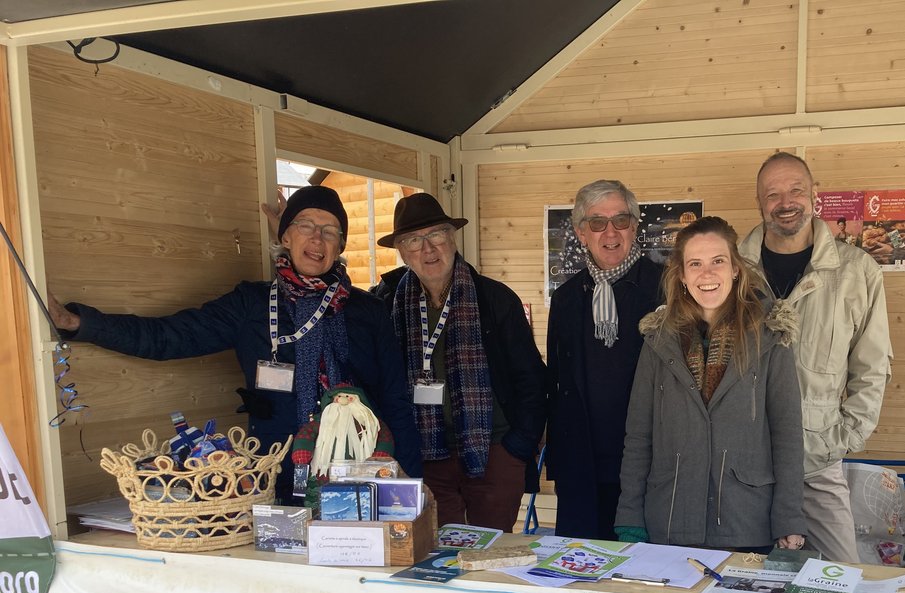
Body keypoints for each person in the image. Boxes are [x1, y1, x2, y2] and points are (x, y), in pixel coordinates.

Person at [48, 186, 423, 499]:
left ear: (340, 245)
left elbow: (395, 400)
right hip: (276, 473)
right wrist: (81, 323)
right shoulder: (252, 304)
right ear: (285, 237)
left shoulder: (368, 311)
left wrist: (410, 486)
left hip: (363, 472)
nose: (317, 238)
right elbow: (169, 336)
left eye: (329, 230)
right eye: (305, 225)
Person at [613, 216, 807, 552]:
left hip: (745, 523)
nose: (707, 274)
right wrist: (630, 517)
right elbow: (639, 436)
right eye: (695, 264)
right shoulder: (659, 340)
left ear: (735, 268)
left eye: (718, 261)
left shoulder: (769, 336)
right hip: (670, 521)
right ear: (682, 275)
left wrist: (789, 518)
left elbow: (787, 436)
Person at [739, 151, 893, 562]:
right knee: (741, 578)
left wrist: (846, 437)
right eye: (772, 194)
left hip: (816, 461)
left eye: (796, 190)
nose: (785, 202)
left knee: (842, 578)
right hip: (743, 466)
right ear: (759, 201)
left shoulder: (856, 272)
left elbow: (872, 366)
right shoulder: (732, 269)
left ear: (814, 195)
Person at [372, 192, 545, 531]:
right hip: (422, 455)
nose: (428, 249)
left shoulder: (494, 299)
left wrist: (518, 445)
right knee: (436, 548)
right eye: (413, 240)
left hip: (493, 450)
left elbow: (531, 378)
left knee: (491, 547)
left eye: (436, 235)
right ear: (402, 252)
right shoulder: (386, 304)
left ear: (452, 238)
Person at [545, 179, 663, 540]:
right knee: (579, 563)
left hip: (649, 466)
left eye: (621, 220)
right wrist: (558, 465)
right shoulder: (566, 298)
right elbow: (557, 384)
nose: (610, 232)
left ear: (634, 226)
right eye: (597, 222)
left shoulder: (667, 289)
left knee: (643, 566)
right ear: (582, 233)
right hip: (582, 467)